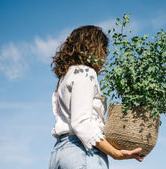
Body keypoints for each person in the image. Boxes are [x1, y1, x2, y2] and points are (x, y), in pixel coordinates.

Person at [49, 25, 144, 169]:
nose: (105, 56)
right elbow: (81, 123)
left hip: (59, 153)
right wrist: (115, 153)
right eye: (104, 49)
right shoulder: (86, 73)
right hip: (82, 152)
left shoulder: (64, 78)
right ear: (95, 48)